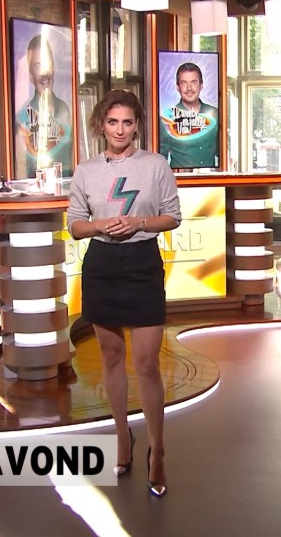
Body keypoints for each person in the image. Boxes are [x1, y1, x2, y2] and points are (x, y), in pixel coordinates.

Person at [68, 89, 182, 497]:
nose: (120, 130)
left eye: (128, 122)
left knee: (147, 363)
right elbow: (75, 225)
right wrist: (101, 225)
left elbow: (173, 216)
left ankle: (158, 450)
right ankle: (121, 436)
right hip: (101, 265)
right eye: (113, 122)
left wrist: (139, 223)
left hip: (141, 265)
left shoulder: (155, 165)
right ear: (101, 125)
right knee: (111, 357)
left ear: (137, 126)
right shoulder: (85, 170)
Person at [16, 35, 73, 178]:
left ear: (54, 68)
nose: (44, 73)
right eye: (37, 66)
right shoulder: (23, 116)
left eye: (47, 64)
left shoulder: (65, 110)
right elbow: (20, 166)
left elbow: (74, 156)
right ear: (30, 75)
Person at [159, 62, 219, 168]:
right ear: (177, 87)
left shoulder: (215, 115)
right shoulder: (167, 119)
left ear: (201, 85)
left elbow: (224, 154)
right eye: (184, 83)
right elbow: (160, 160)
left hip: (210, 177)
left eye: (194, 82)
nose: (189, 88)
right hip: (179, 178)